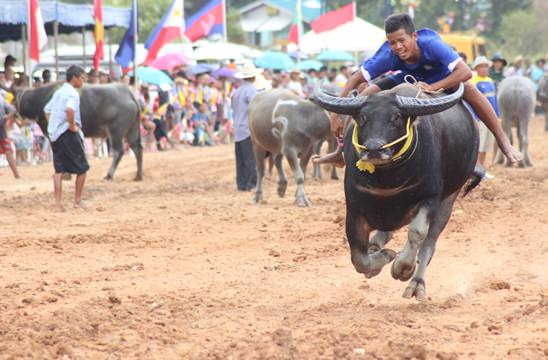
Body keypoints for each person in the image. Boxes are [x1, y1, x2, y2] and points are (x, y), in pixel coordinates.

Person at [313, 13, 521, 167]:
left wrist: (434, 87)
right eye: (392, 42)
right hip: (405, 78)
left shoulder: (431, 44)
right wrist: (336, 114)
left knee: (468, 87)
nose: (398, 47)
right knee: (365, 96)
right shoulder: (388, 53)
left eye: (402, 41)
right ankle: (341, 151)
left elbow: (465, 71)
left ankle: (503, 141)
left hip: (438, 77)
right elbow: (356, 78)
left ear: (414, 36)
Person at [44, 65, 89, 211]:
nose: (83, 80)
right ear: (74, 78)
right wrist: (71, 126)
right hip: (66, 132)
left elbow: (47, 110)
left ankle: (57, 204)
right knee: (82, 167)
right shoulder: (72, 94)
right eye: (81, 78)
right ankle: (77, 200)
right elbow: (69, 109)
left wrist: (53, 124)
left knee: (59, 169)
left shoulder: (59, 92)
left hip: (55, 134)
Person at [232, 63, 261, 191]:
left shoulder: (237, 91)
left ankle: (241, 184)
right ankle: (252, 183)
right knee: (250, 158)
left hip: (237, 128)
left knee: (241, 158)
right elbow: (255, 108)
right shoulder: (252, 90)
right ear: (254, 77)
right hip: (247, 128)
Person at [471, 56, 498, 178]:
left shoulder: (490, 81)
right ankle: (475, 170)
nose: (485, 69)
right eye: (482, 66)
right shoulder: (474, 82)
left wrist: (497, 116)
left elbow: (494, 100)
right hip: (480, 118)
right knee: (480, 146)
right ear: (476, 68)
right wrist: (475, 117)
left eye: (486, 66)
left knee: (486, 145)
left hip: (491, 118)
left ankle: (481, 170)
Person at [0, 95, 20, 178]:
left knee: (8, 152)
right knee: (8, 152)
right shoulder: (1, 99)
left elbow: (13, 110)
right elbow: (13, 110)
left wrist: (6, 117)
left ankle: (17, 175)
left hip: (2, 129)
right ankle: (17, 175)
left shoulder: (1, 99)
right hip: (2, 128)